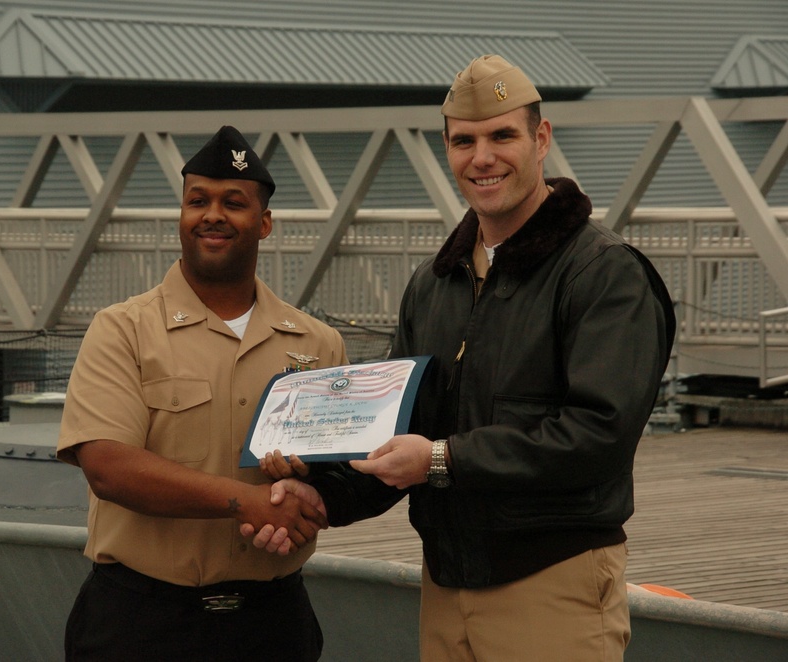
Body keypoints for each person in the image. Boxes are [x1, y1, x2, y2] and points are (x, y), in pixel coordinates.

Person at [246, 55, 676, 661]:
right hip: (445, 587)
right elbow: (396, 429)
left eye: (503, 135)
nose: (483, 157)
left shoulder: (603, 274)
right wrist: (324, 497)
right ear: (446, 149)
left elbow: (598, 435)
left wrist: (442, 459)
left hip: (552, 583)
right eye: (464, 141)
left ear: (541, 139)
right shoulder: (433, 283)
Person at [57, 125, 348, 661]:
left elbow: (338, 469)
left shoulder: (317, 343)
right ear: (182, 217)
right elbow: (108, 467)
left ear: (263, 223)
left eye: (233, 202)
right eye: (197, 201)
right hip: (142, 625)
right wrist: (251, 502)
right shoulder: (122, 330)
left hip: (272, 625)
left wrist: (307, 499)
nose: (212, 214)